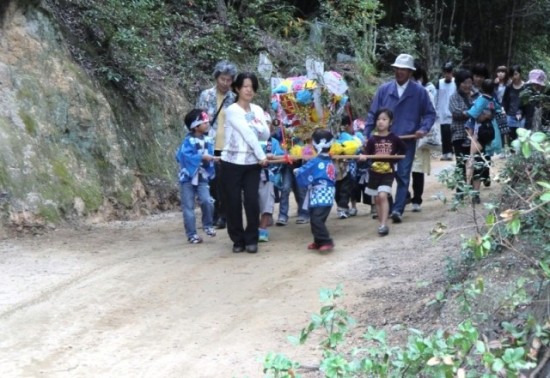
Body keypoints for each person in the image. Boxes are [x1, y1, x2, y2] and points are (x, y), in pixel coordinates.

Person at [364, 53, 436, 224]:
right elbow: (372, 113)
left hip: (406, 140)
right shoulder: (384, 90)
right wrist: (366, 134)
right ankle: (387, 205)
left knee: (403, 174)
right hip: (383, 140)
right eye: (397, 69)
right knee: (382, 172)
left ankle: (398, 209)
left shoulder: (419, 92)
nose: (400, 72)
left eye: (404, 69)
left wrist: (423, 128)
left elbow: (429, 113)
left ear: (410, 72)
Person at [220, 72, 270, 253]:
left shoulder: (257, 110)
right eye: (245, 86)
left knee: (252, 201)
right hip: (232, 162)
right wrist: (261, 156)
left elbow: (264, 133)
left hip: (252, 164)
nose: (249, 90)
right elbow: (247, 134)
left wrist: (256, 124)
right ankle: (237, 240)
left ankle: (251, 239)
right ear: (237, 89)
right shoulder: (232, 110)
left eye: (252, 87)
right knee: (233, 202)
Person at [196, 60, 237, 230]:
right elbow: (198, 119)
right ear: (216, 78)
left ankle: (224, 215)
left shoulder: (234, 97)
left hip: (228, 146)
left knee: (225, 182)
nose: (225, 83)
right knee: (212, 181)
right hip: (209, 146)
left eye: (229, 80)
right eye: (222, 79)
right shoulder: (206, 96)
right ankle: (213, 214)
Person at [361, 108, 406, 236]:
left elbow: (403, 150)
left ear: (390, 122)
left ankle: (384, 224)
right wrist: (364, 157)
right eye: (378, 119)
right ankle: (381, 223)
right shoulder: (372, 139)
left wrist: (395, 159)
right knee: (376, 198)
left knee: (382, 195)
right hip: (374, 172)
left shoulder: (394, 138)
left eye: (384, 119)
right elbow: (367, 153)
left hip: (388, 171)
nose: (381, 122)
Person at [175, 109, 217, 244]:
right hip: (187, 177)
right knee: (188, 206)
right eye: (204, 122)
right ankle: (191, 234)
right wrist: (201, 157)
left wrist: (211, 159)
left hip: (202, 176)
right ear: (195, 126)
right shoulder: (187, 141)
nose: (207, 124)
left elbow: (209, 155)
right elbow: (183, 156)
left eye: (207, 121)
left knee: (207, 201)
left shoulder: (209, 140)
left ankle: (208, 224)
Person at [294, 128, 336, 252]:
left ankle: (326, 241)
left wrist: (297, 171)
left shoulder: (316, 161)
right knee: (316, 218)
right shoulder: (329, 160)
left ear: (314, 145)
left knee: (317, 219)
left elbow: (304, 171)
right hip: (326, 193)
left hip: (321, 193)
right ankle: (318, 241)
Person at [465, 79, 502, 203]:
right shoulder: (492, 101)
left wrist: (466, 112)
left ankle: (471, 189)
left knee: (472, 160)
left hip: (477, 134)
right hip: (489, 134)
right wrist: (489, 115)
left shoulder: (481, 100)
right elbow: (498, 109)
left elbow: (473, 114)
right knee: (479, 163)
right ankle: (474, 192)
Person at [410, 64, 437, 212]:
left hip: (420, 136)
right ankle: (405, 195)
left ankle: (417, 198)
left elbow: (431, 114)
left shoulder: (426, 93)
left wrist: (425, 129)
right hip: (405, 135)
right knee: (402, 168)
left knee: (417, 168)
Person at [258, 113, 285, 242]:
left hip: (268, 176)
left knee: (267, 201)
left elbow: (280, 157)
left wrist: (273, 158)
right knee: (252, 202)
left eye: (267, 123)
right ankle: (255, 226)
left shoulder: (273, 142)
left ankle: (262, 229)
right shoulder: (249, 140)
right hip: (251, 175)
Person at [334, 115, 361, 218]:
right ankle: (347, 208)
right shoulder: (349, 137)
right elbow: (358, 148)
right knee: (348, 187)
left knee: (342, 188)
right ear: (346, 126)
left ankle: (344, 208)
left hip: (341, 167)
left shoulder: (338, 137)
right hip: (347, 167)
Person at [435, 62, 456, 161]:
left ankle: (450, 152)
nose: (447, 74)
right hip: (442, 110)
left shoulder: (455, 82)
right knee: (444, 132)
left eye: (449, 72)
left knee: (451, 132)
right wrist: (436, 109)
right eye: (445, 72)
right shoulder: (440, 83)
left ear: (452, 72)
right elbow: (437, 97)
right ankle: (444, 152)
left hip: (452, 110)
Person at [502, 65, 526, 145]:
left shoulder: (525, 87)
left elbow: (527, 103)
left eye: (516, 74)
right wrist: (503, 109)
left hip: (521, 116)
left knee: (521, 137)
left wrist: (521, 111)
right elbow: (504, 100)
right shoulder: (509, 87)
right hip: (510, 115)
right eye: (512, 75)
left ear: (520, 74)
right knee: (511, 136)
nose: (514, 77)